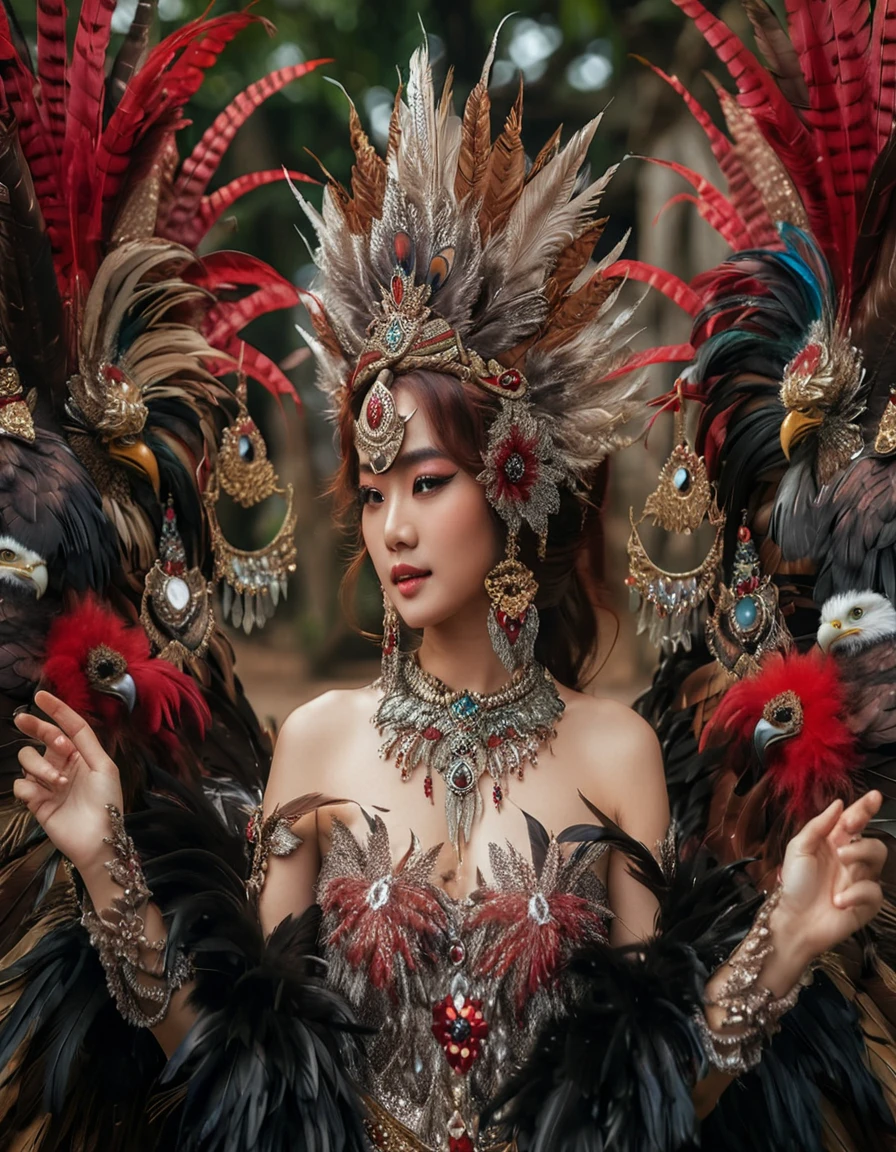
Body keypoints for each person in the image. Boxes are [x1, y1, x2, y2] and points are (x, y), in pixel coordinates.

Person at [4, 33, 892, 1152]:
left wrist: (791, 938)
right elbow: (231, 1063)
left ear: (515, 477)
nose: (393, 529)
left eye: (427, 483)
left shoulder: (615, 754)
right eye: (373, 494)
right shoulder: (315, 745)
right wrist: (101, 861)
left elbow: (652, 1096)